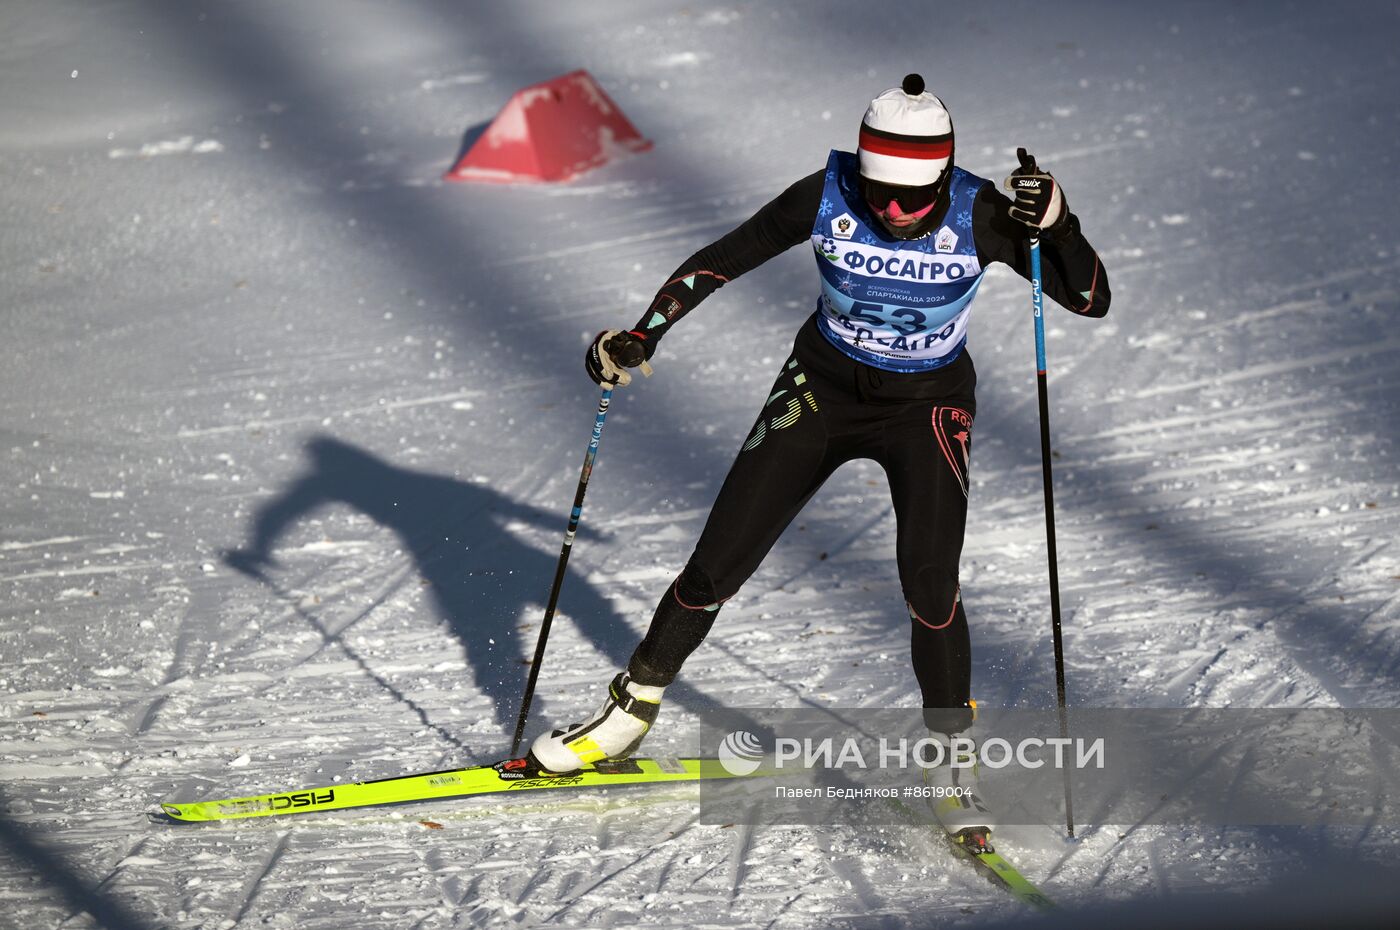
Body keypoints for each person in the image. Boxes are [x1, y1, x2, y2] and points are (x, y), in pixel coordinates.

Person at [528, 74, 1110, 844]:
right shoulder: (829, 191)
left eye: (913, 196)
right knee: (716, 563)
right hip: (821, 390)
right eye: (880, 191)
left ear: (945, 173)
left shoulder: (984, 214)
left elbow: (1090, 300)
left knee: (930, 583)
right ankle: (626, 716)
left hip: (925, 406)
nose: (893, 210)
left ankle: (950, 763)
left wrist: (1060, 226)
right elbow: (725, 257)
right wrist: (643, 332)